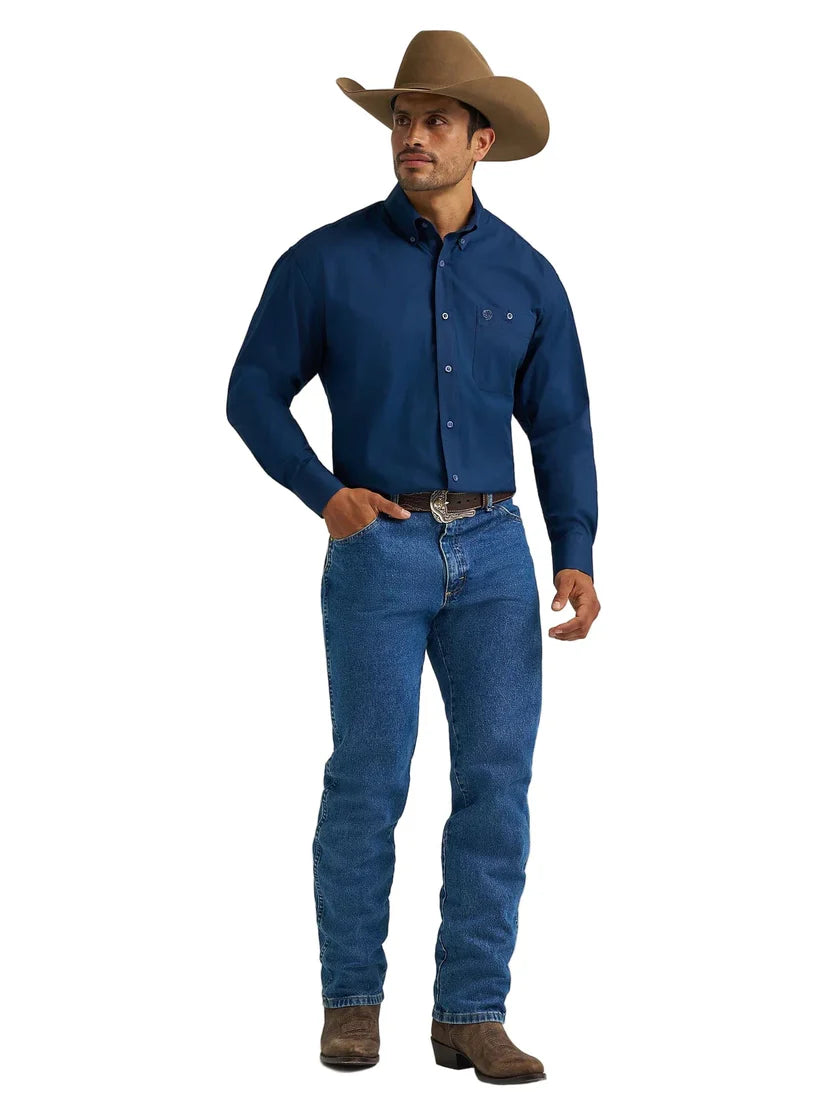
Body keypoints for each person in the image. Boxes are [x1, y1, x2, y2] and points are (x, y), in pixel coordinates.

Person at [226, 29, 601, 1084]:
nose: (413, 135)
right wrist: (324, 494)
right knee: (366, 780)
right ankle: (351, 1004)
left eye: (435, 119)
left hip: (496, 555)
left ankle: (471, 1012)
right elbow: (250, 393)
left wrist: (573, 550)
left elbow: (560, 422)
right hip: (378, 550)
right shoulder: (324, 262)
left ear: (481, 140)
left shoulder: (527, 275)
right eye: (401, 117)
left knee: (496, 784)